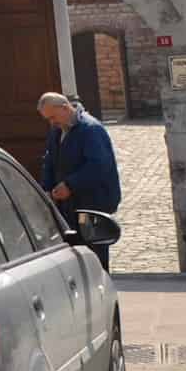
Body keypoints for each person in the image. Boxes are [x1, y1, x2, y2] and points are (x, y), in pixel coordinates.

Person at [37, 91, 121, 271]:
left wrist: (70, 185)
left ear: (65, 108)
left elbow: (98, 166)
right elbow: (50, 161)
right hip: (68, 206)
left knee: (94, 256)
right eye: (48, 119)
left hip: (92, 205)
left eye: (53, 117)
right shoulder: (57, 131)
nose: (52, 122)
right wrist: (47, 188)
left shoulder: (90, 129)